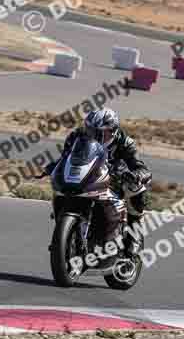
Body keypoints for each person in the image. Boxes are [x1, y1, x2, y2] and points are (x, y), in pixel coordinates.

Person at [45, 108, 152, 266]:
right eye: (91, 131)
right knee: (62, 189)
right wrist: (53, 166)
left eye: (101, 133)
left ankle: (134, 236)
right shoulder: (76, 136)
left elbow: (140, 166)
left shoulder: (124, 141)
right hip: (88, 176)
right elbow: (67, 157)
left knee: (137, 189)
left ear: (113, 131)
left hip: (115, 178)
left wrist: (137, 175)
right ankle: (66, 235)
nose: (95, 136)